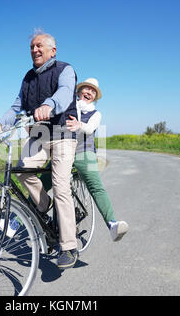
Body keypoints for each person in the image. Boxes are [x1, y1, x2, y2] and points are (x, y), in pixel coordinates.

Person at [0, 30, 80, 270]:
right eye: (32, 47)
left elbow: (65, 93)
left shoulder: (65, 70)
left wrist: (49, 105)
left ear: (52, 50)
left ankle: (69, 246)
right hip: (38, 135)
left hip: (62, 134)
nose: (35, 50)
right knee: (21, 171)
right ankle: (43, 204)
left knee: (61, 186)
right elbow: (16, 106)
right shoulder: (28, 77)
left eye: (39, 46)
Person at [38, 78, 129, 241]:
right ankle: (14, 223)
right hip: (63, 151)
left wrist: (79, 125)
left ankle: (112, 225)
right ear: (79, 92)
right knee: (41, 183)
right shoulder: (67, 107)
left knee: (95, 186)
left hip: (83, 153)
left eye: (93, 91)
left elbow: (89, 128)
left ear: (95, 97)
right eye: (86, 89)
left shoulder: (95, 114)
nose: (89, 92)